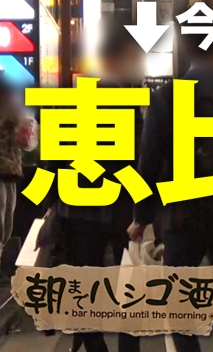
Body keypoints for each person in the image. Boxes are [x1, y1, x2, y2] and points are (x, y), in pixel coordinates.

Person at [130, 32, 213, 352]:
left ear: (186, 53)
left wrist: (141, 217)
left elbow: (149, 161)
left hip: (181, 214)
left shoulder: (166, 96)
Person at [43, 35, 144, 352]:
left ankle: (93, 342)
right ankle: (127, 346)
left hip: (76, 209)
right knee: (128, 284)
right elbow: (137, 157)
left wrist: (50, 201)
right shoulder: (125, 99)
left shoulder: (75, 97)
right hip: (118, 208)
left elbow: (54, 153)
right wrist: (144, 210)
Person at [0, 75, 31, 285]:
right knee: (1, 220)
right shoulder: (11, 113)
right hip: (4, 172)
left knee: (7, 222)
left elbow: (25, 142)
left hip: (11, 171)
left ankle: (2, 262)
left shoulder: (14, 111)